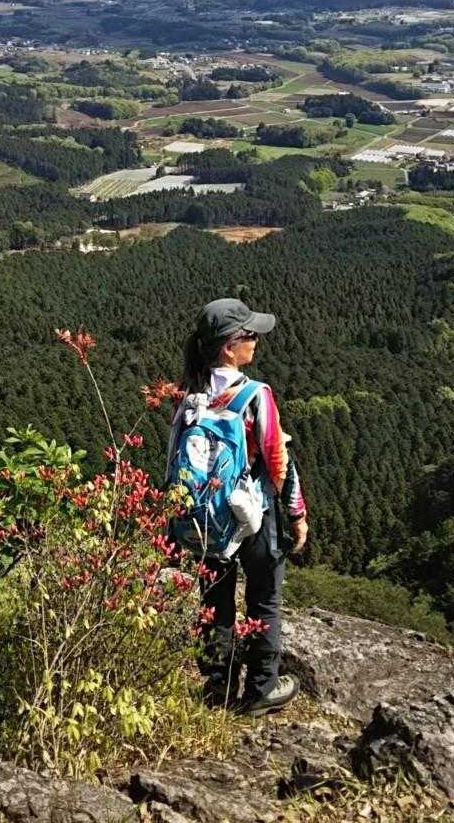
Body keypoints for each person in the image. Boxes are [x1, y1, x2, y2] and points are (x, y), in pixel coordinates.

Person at [170, 297, 308, 716]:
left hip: (206, 519)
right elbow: (277, 461)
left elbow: (173, 460)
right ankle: (261, 690)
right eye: (249, 335)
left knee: (215, 602)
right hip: (253, 514)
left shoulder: (189, 398)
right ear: (230, 347)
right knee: (264, 599)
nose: (256, 341)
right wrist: (296, 513)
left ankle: (219, 688)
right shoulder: (254, 395)